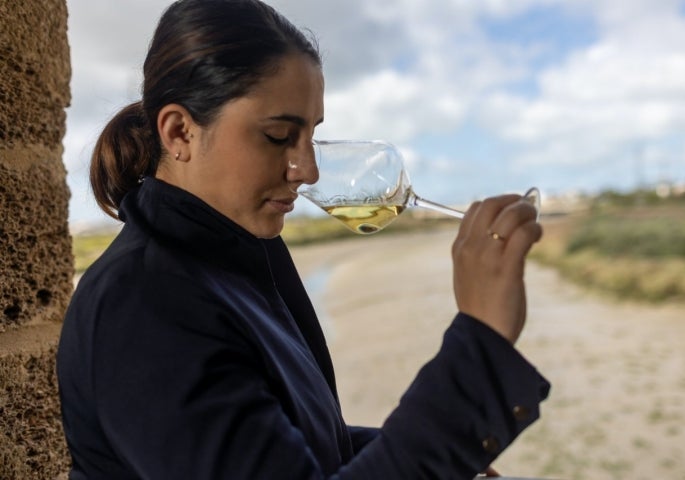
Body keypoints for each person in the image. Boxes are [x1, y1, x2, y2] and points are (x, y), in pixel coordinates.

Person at [56, 0, 550, 478]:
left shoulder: (240, 255)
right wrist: (480, 341)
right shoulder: (141, 306)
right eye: (277, 136)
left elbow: (286, 445)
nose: (306, 169)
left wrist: (423, 452)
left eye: (311, 135)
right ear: (180, 132)